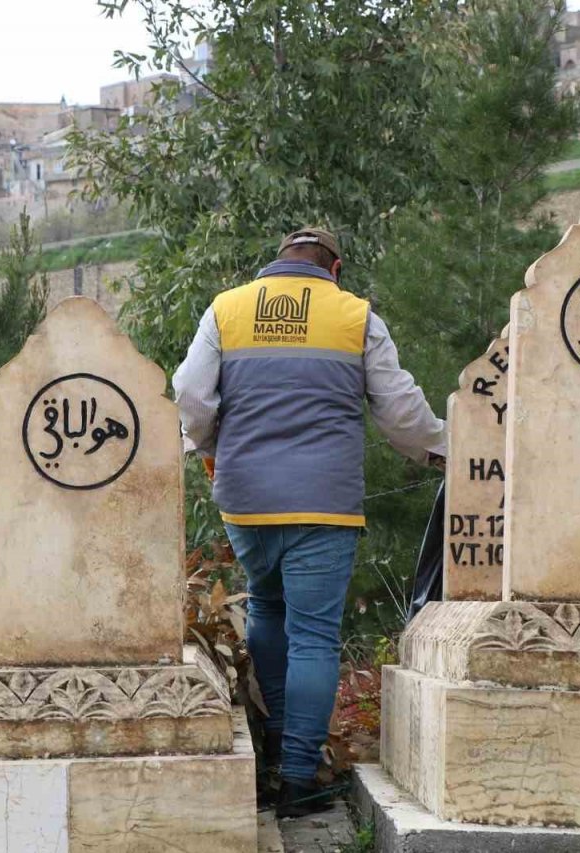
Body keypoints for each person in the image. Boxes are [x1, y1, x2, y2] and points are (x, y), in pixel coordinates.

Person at [172, 227, 446, 817]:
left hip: (244, 497)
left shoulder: (229, 308)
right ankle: (299, 777)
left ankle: (273, 754)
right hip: (323, 502)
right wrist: (440, 449)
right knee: (316, 635)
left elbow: (191, 395)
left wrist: (208, 445)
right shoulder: (356, 317)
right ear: (335, 267)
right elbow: (399, 408)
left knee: (267, 611)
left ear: (276, 262)